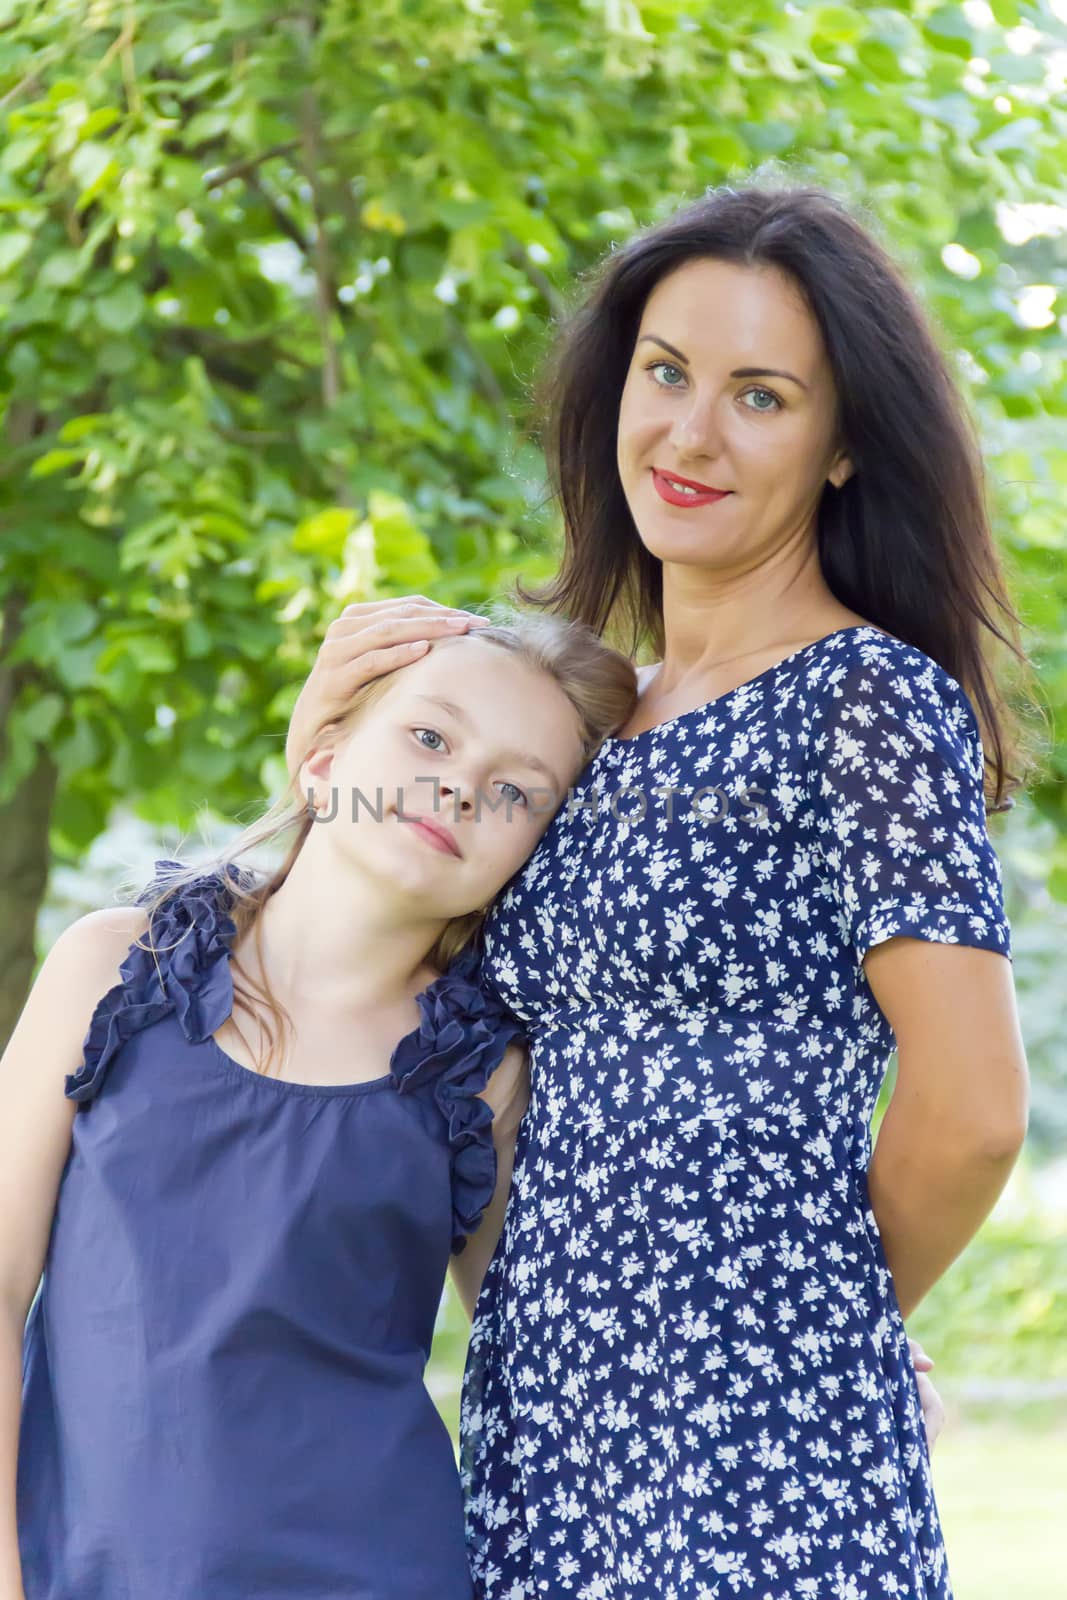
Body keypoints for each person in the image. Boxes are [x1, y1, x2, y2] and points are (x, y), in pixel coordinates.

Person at [286, 185, 1029, 1599]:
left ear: (841, 446)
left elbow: (974, 1111)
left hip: (754, 1456)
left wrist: (822, 1318)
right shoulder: (577, 720)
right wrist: (308, 757)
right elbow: (390, 978)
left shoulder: (861, 700)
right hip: (542, 1433)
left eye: (758, 396)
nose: (688, 434)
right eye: (665, 372)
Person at [2, 611, 637, 1599]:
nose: (459, 785)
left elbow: (565, 1349)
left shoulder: (487, 1076)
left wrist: (821, 1358)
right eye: (429, 736)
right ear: (325, 759)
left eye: (515, 788)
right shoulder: (113, 966)